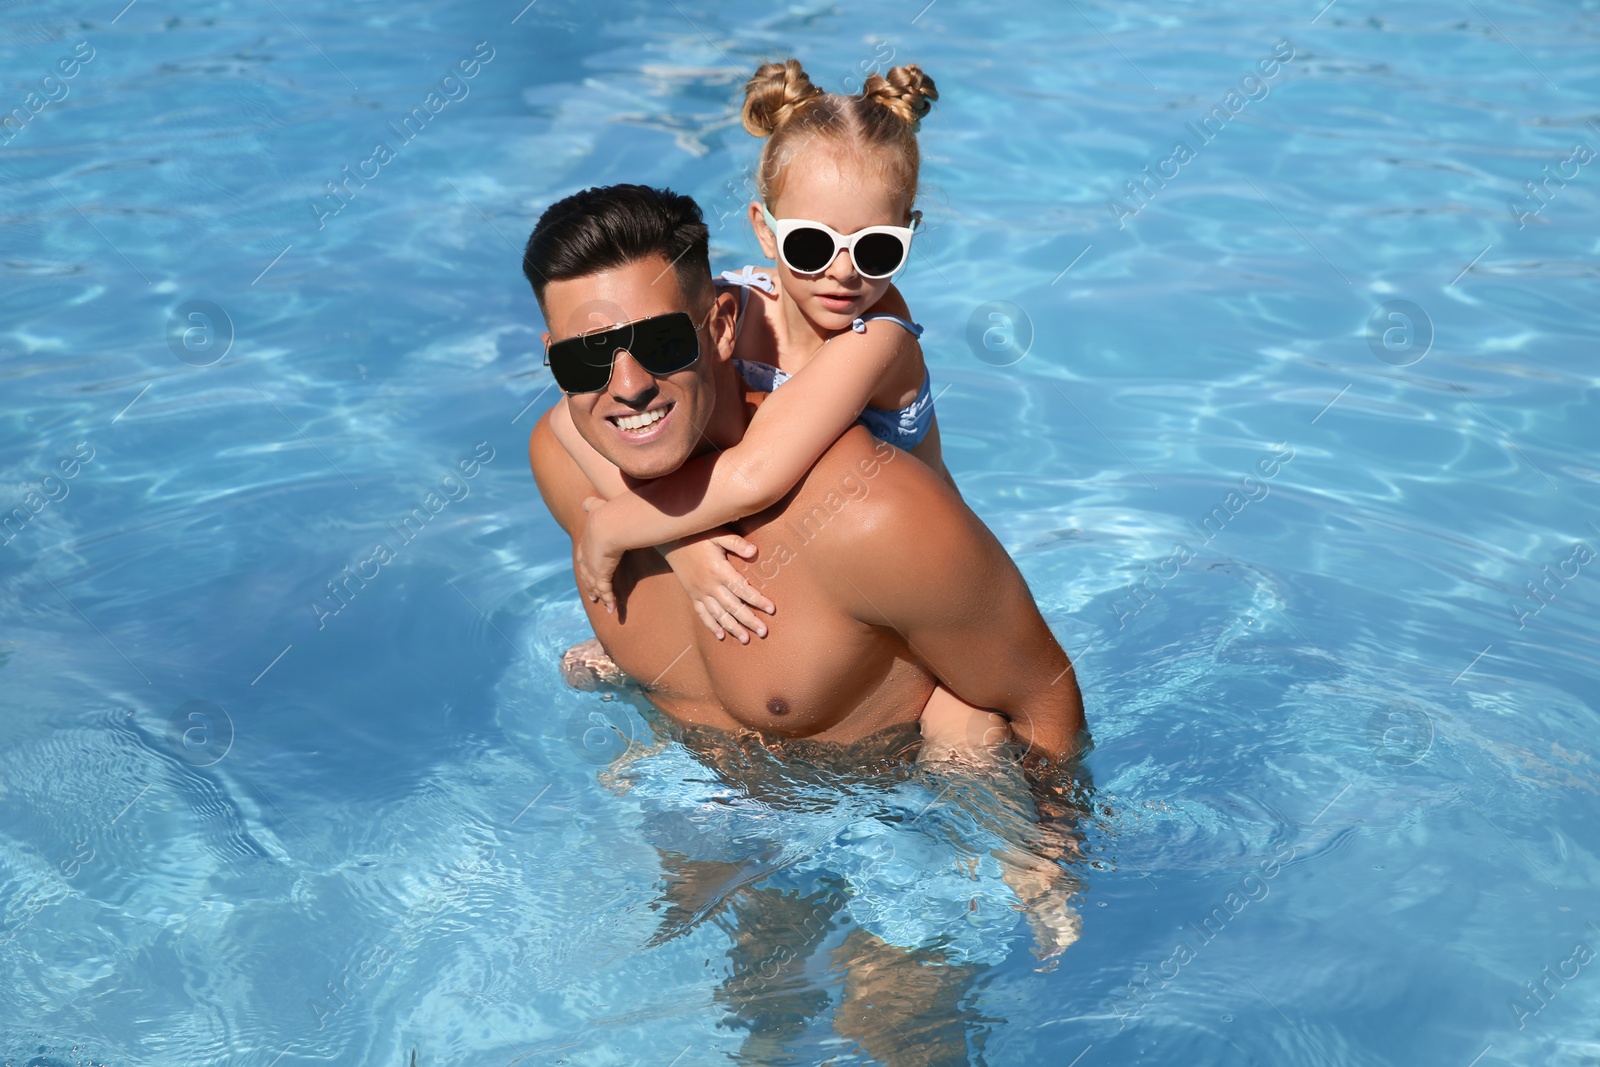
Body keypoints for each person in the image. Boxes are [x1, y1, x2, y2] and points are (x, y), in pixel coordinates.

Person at [523, 182, 1087, 1062]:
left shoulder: (867, 515)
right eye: (587, 360)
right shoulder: (567, 470)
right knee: (761, 1020)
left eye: (659, 345)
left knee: (894, 1030)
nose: (625, 387)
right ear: (554, 363)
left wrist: (1047, 845)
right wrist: (676, 554)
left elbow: (1043, 697)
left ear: (716, 327)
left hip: (908, 822)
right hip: (715, 804)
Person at [546, 58, 995, 756]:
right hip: (795, 551)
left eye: (877, 249)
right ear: (764, 230)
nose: (843, 273)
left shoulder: (877, 339)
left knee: (968, 734)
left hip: (908, 600)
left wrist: (615, 529)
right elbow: (565, 424)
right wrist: (680, 544)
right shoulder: (725, 308)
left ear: (909, 233)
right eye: (810, 245)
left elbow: (755, 474)